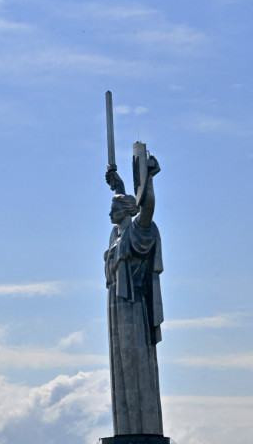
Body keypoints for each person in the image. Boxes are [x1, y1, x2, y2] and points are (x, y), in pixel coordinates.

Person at [104, 156, 164, 436]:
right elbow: (127, 209)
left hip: (133, 307)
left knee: (135, 363)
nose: (109, 213)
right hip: (116, 307)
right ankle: (125, 430)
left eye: (113, 208)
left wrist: (148, 179)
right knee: (120, 365)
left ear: (126, 211)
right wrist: (118, 186)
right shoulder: (117, 236)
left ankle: (143, 429)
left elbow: (146, 207)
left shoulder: (139, 232)